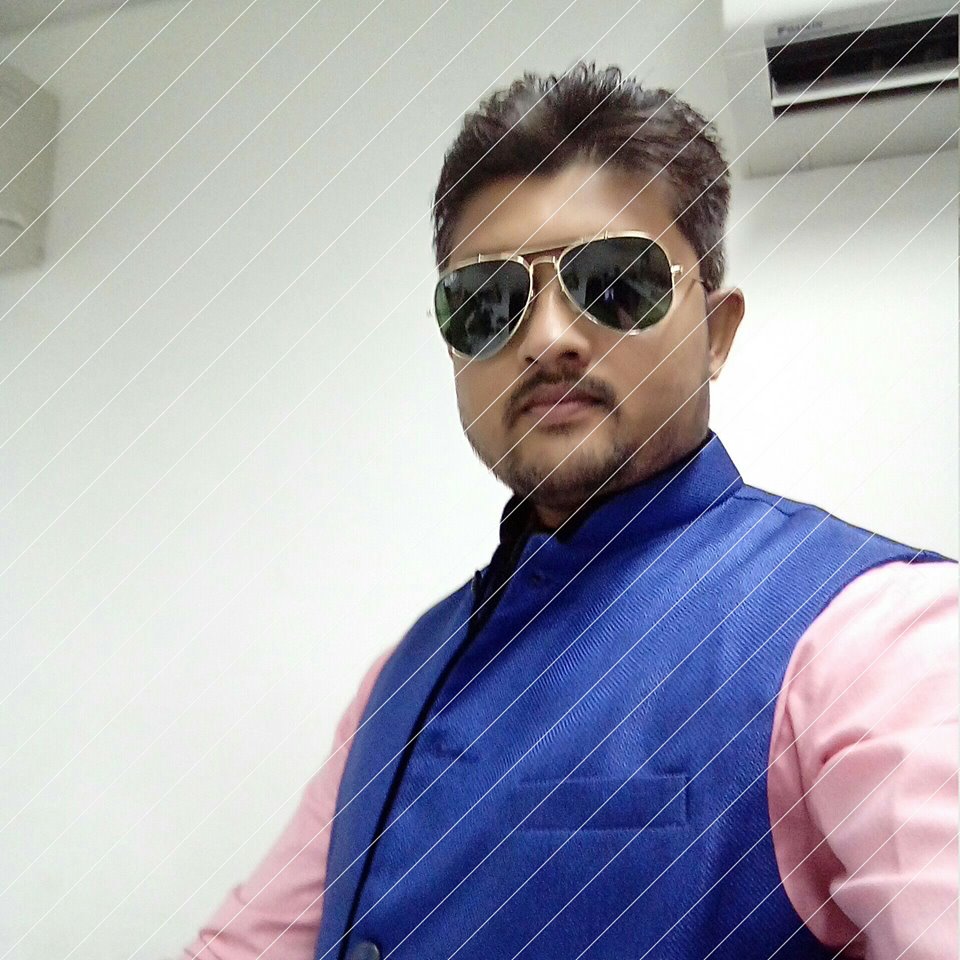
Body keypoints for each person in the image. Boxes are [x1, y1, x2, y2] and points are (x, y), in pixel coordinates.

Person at [181, 62, 958, 960]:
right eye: (488, 303)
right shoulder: (397, 680)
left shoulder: (877, 636)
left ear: (717, 332)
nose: (548, 340)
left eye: (617, 283)